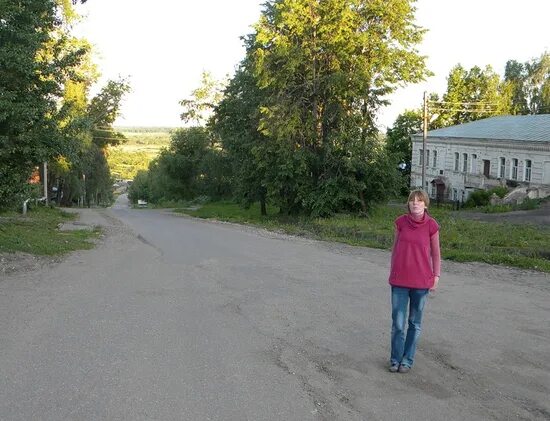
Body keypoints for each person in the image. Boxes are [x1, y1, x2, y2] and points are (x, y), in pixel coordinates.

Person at [388, 189, 441, 373]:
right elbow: (394, 249)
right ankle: (395, 359)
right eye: (412, 200)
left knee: (414, 323)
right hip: (400, 281)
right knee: (398, 322)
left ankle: (407, 360)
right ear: (408, 203)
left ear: (425, 204)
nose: (415, 203)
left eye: (419, 201)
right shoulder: (401, 223)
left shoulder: (431, 226)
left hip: (421, 282)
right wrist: (393, 271)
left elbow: (436, 254)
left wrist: (436, 277)